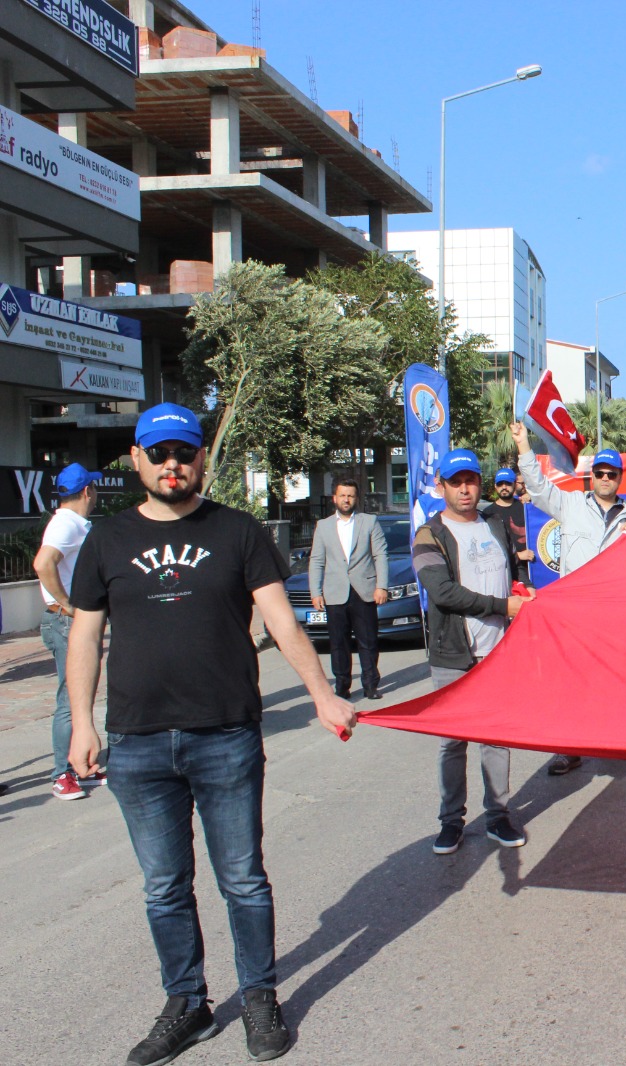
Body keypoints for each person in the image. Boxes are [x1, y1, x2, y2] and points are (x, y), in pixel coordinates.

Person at [66, 402, 357, 1065]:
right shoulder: (105, 540)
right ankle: (188, 1005)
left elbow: (280, 619)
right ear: (137, 459)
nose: (172, 465)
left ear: (201, 459)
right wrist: (82, 722)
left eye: (183, 453)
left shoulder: (238, 531)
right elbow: (85, 635)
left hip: (224, 734)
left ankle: (259, 996)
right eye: (159, 453)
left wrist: (322, 693)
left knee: (243, 880)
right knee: (164, 887)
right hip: (137, 741)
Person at [412, 449, 533, 855]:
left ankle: (498, 815)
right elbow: (443, 593)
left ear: (480, 483)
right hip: (453, 656)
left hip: (497, 653)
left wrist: (522, 589)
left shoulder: (495, 524)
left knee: (495, 739)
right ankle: (451, 822)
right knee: (453, 742)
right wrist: (503, 607)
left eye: (470, 480)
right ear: (441, 487)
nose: (464, 489)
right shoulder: (429, 534)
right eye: (456, 482)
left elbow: (513, 570)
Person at [513, 424, 626, 775]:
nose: (605, 478)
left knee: (616, 682)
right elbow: (538, 487)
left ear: (619, 478)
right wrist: (524, 445)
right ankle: (568, 748)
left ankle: (618, 743)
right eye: (600, 473)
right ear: (592, 476)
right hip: (575, 615)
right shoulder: (571, 504)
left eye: (611, 474)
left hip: (615, 617)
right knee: (570, 682)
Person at [32, 462, 103, 801]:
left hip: (69, 620)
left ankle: (79, 766)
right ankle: (62, 774)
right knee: (70, 698)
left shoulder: (73, 523)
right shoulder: (65, 524)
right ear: (87, 491)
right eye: (94, 487)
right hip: (64, 621)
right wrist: (66, 604)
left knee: (79, 695)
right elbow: (42, 563)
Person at [308, 477, 389, 700]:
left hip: (364, 590)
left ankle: (370, 685)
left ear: (356, 498)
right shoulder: (323, 526)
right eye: (342, 495)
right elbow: (317, 561)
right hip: (335, 592)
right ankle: (342, 686)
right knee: (338, 643)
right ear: (334, 498)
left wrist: (381, 586)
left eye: (350, 496)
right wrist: (315, 592)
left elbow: (380, 555)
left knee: (368, 641)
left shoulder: (369, 522)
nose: (346, 499)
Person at [483, 467, 535, 582]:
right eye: (500, 484)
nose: (504, 487)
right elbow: (488, 548)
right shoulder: (487, 513)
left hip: (531, 569)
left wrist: (533, 498)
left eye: (508, 483)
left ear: (515, 484)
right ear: (495, 486)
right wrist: (518, 555)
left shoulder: (526, 506)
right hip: (505, 572)